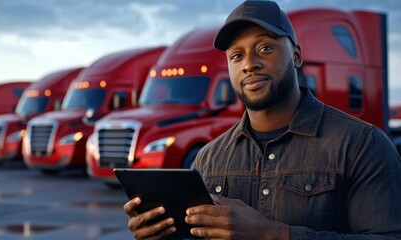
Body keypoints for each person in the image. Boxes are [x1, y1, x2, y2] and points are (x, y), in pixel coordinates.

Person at [123, 0, 401, 239]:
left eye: (265, 48)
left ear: (296, 56)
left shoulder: (362, 145)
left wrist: (271, 234)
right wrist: (159, 232)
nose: (249, 63)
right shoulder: (208, 159)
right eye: (236, 55)